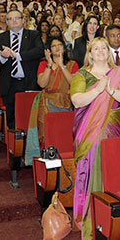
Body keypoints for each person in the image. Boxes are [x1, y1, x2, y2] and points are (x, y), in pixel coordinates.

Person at [70, 37, 120, 239]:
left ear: (109, 52)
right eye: (95, 48)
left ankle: (111, 220)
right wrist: (98, 89)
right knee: (90, 173)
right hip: (89, 134)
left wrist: (110, 89)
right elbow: (76, 101)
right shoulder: (81, 74)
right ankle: (91, 222)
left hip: (113, 133)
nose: (100, 51)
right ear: (89, 53)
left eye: (103, 48)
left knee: (111, 171)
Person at [24, 36, 79, 165]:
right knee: (49, 136)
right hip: (47, 104)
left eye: (60, 45)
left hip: (67, 103)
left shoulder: (72, 64)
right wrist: (50, 64)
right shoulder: (43, 64)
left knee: (65, 136)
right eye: (54, 46)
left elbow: (73, 82)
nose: (57, 48)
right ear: (48, 50)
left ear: (64, 48)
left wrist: (62, 66)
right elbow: (42, 84)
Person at [0, 9, 44, 129]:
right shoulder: (0, 38)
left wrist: (17, 56)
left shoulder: (33, 35)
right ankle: (13, 144)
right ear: (6, 21)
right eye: (10, 19)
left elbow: (40, 51)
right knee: (11, 118)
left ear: (23, 20)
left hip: (29, 81)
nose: (14, 21)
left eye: (17, 18)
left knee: (31, 116)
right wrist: (2, 57)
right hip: (9, 83)